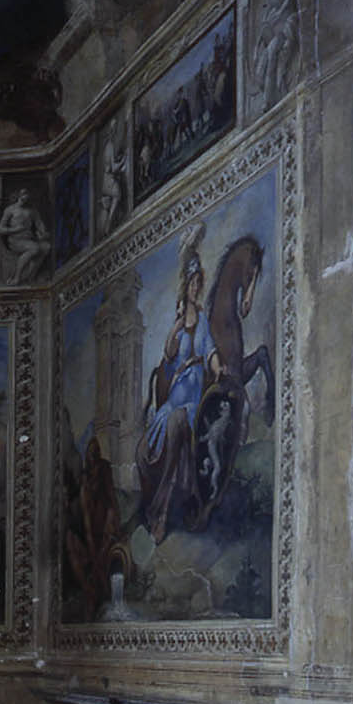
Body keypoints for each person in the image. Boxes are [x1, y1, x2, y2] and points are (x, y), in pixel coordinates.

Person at [136, 225, 216, 541]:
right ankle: (151, 503)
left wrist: (218, 365)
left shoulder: (204, 321)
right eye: (193, 284)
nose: (196, 288)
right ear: (186, 288)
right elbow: (169, 355)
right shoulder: (180, 325)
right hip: (174, 399)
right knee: (149, 445)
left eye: (199, 284)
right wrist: (176, 326)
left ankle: (161, 514)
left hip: (193, 400)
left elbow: (210, 350)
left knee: (176, 424)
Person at [0, 185, 53, 284]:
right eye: (23, 194)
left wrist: (43, 234)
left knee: (46, 247)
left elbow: (40, 224)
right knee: (34, 248)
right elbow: (0, 229)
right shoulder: (10, 210)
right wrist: (15, 229)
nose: (25, 196)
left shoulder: (32, 211)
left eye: (27, 194)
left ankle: (31, 276)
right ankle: (16, 278)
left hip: (29, 239)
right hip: (15, 241)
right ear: (18, 195)